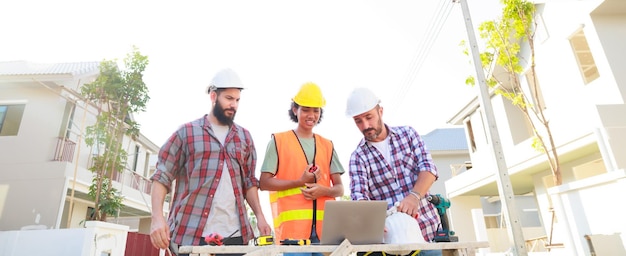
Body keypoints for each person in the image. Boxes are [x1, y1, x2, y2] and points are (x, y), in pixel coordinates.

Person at [149, 68, 272, 256]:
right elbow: (161, 176)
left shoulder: (244, 137)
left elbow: (249, 182)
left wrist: (261, 217)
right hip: (191, 233)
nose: (234, 105)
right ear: (214, 96)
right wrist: (157, 218)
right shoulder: (187, 133)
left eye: (237, 100)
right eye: (229, 99)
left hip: (234, 236)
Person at [345, 87, 442, 256]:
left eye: (369, 117)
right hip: (390, 243)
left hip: (426, 232)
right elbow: (359, 196)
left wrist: (414, 196)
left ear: (380, 111)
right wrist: (371, 220)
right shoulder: (358, 157)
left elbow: (428, 168)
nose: (365, 125)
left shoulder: (408, 135)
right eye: (358, 121)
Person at [259, 82, 345, 256]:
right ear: (294, 109)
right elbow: (264, 183)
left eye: (316, 110)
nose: (311, 115)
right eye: (306, 109)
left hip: (325, 233)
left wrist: (323, 190)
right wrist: (299, 182)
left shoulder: (327, 145)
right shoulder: (278, 141)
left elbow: (339, 189)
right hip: (293, 234)